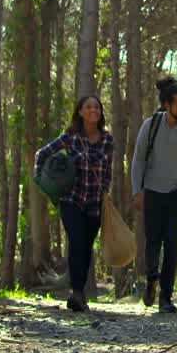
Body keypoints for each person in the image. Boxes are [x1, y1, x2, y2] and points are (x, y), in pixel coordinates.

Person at [130, 76, 177, 314]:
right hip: (153, 190)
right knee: (153, 239)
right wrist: (137, 190)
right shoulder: (150, 126)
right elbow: (138, 159)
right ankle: (152, 278)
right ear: (166, 105)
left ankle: (166, 296)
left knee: (171, 242)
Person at [34, 95, 114, 312]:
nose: (93, 110)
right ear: (80, 111)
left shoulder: (108, 139)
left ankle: (78, 293)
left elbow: (108, 171)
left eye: (97, 107)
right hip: (71, 200)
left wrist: (106, 192)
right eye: (88, 107)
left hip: (96, 203)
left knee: (86, 248)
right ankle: (77, 293)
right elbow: (42, 153)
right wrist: (41, 179)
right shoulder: (70, 137)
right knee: (77, 241)